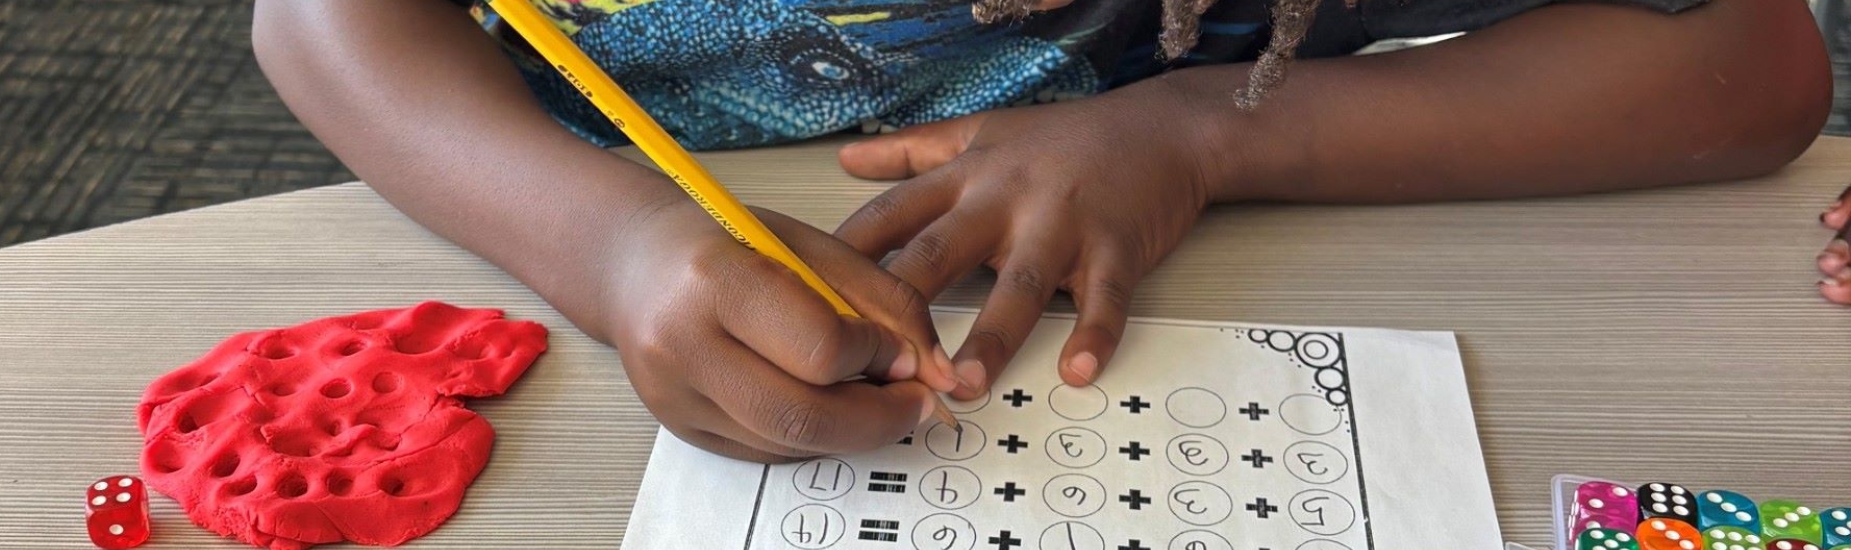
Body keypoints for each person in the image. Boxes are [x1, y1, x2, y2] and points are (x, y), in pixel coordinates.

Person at [253, 0, 1832, 462]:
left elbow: (1747, 60)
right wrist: (605, 242)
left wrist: (1207, 133)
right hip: (558, 255)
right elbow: (322, 22)